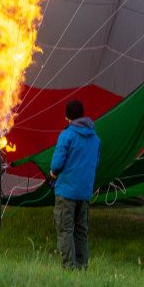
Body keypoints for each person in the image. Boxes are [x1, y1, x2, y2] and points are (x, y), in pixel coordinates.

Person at [49, 100, 100, 270]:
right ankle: (82, 266)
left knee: (65, 230)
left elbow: (57, 163)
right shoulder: (95, 138)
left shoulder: (67, 135)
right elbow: (95, 162)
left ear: (68, 118)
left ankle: (69, 268)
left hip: (67, 192)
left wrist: (53, 173)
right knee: (81, 231)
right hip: (85, 192)